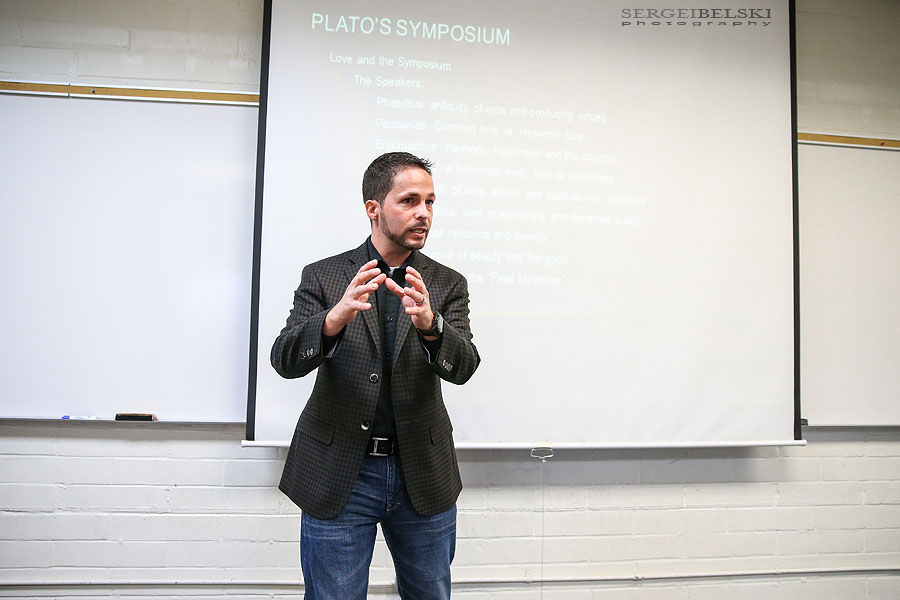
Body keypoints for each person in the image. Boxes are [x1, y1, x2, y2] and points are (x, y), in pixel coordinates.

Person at [271, 152, 481, 600]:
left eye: (430, 202)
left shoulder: (446, 284)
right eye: (409, 201)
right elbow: (285, 360)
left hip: (421, 471)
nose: (423, 213)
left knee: (430, 594)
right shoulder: (325, 276)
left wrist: (431, 326)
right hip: (341, 470)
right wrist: (334, 318)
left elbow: (464, 368)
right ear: (374, 209)